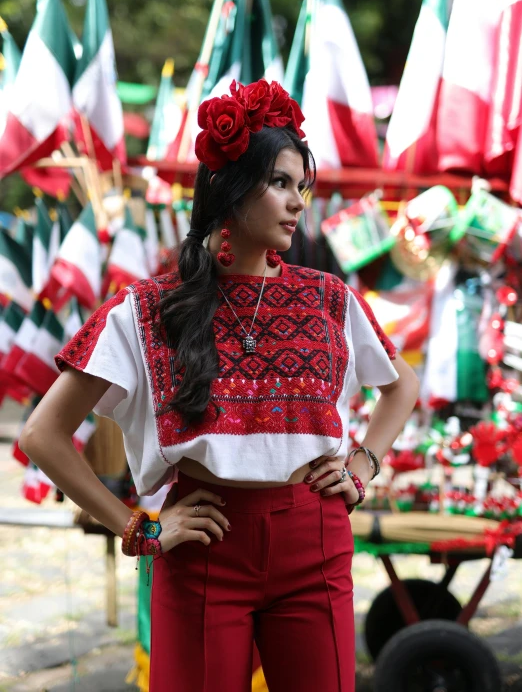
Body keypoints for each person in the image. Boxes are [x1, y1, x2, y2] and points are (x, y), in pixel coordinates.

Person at [19, 79, 420, 692]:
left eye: (300, 187)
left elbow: (402, 385)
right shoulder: (149, 310)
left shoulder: (327, 299)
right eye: (281, 183)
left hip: (314, 539)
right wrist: (138, 526)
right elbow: (42, 434)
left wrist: (364, 464)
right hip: (203, 543)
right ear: (231, 189)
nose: (296, 204)